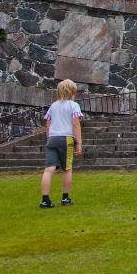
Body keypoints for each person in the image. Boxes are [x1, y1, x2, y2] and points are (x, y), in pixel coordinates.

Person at [39, 79, 83, 208]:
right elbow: (75, 124)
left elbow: (47, 125)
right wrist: (79, 142)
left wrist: (49, 138)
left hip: (52, 138)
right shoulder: (73, 106)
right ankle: (65, 198)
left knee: (49, 169)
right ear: (72, 91)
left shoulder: (53, 106)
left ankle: (45, 199)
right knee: (67, 168)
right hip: (66, 138)